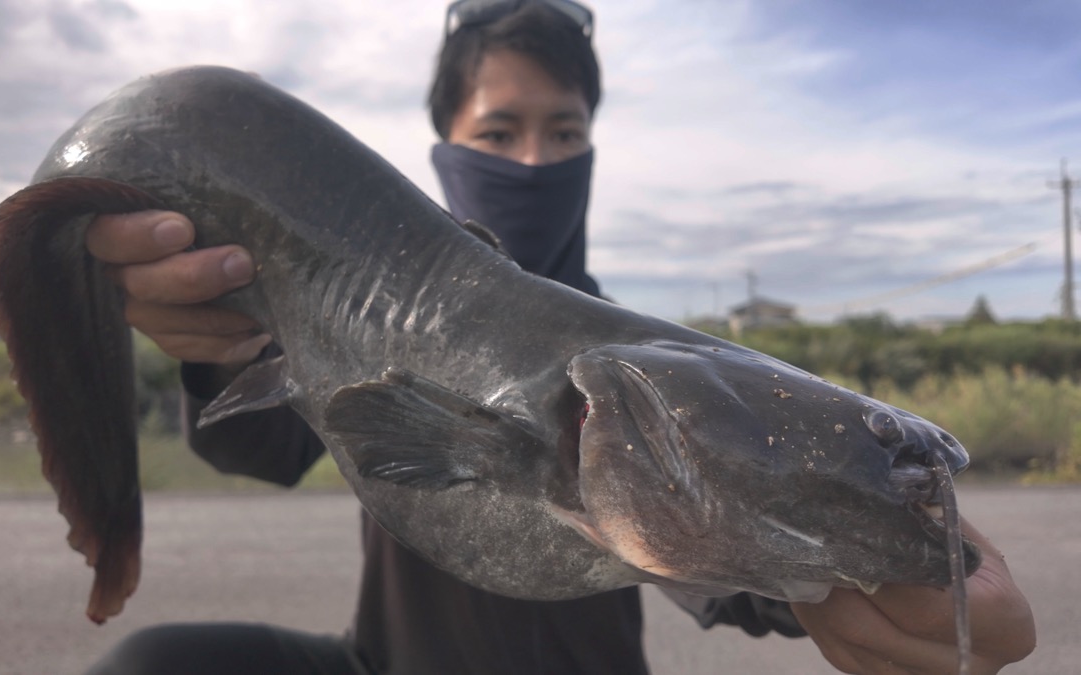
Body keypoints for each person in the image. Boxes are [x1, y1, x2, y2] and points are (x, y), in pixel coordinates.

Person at [85, 1, 1035, 673]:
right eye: (499, 133)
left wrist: (855, 576)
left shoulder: (649, 364)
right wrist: (217, 340)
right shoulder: (356, 303)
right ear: (444, 147)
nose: (535, 160)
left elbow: (713, 535)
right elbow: (260, 449)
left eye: (564, 132)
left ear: (592, 146)